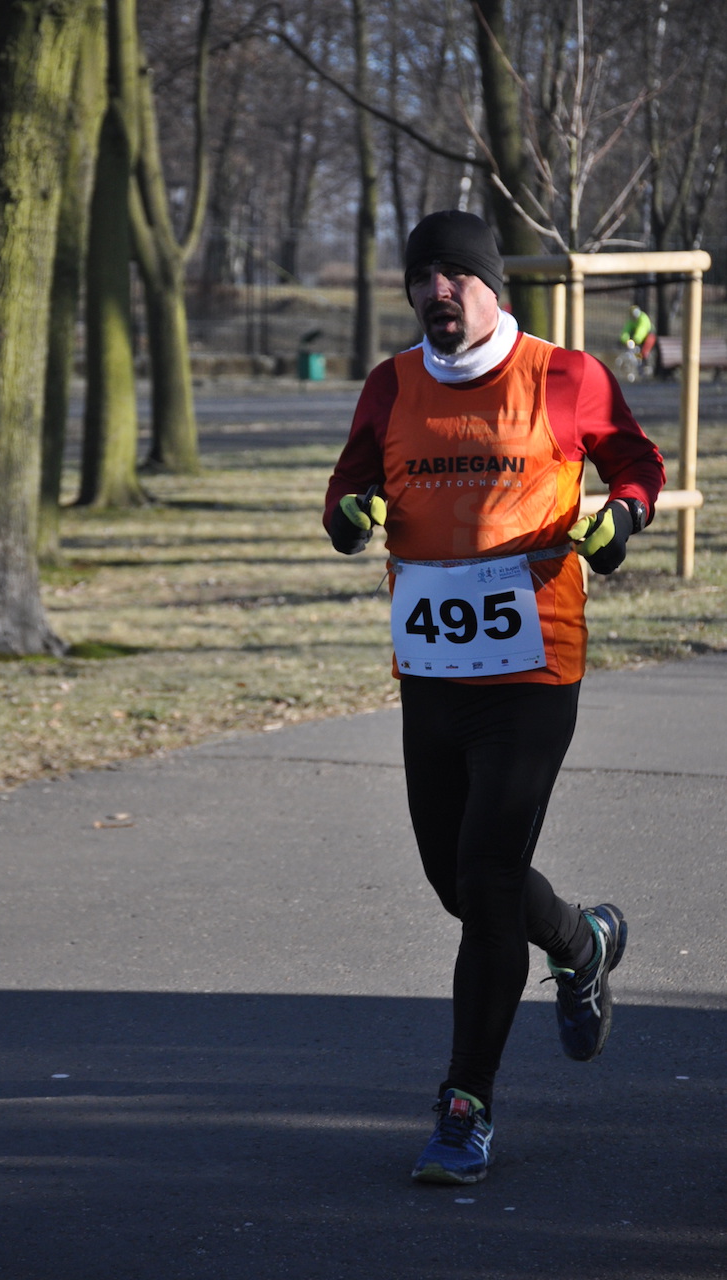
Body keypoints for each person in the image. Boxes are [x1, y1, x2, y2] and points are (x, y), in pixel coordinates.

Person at [323, 210, 665, 1186]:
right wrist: (352, 514)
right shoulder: (392, 384)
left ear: (490, 286)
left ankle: (464, 1105)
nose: (436, 296)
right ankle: (581, 940)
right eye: (420, 281)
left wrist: (622, 516)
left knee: (485, 878)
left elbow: (635, 461)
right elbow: (345, 492)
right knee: (458, 883)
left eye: (455, 280)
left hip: (531, 671)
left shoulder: (563, 376)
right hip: (432, 676)